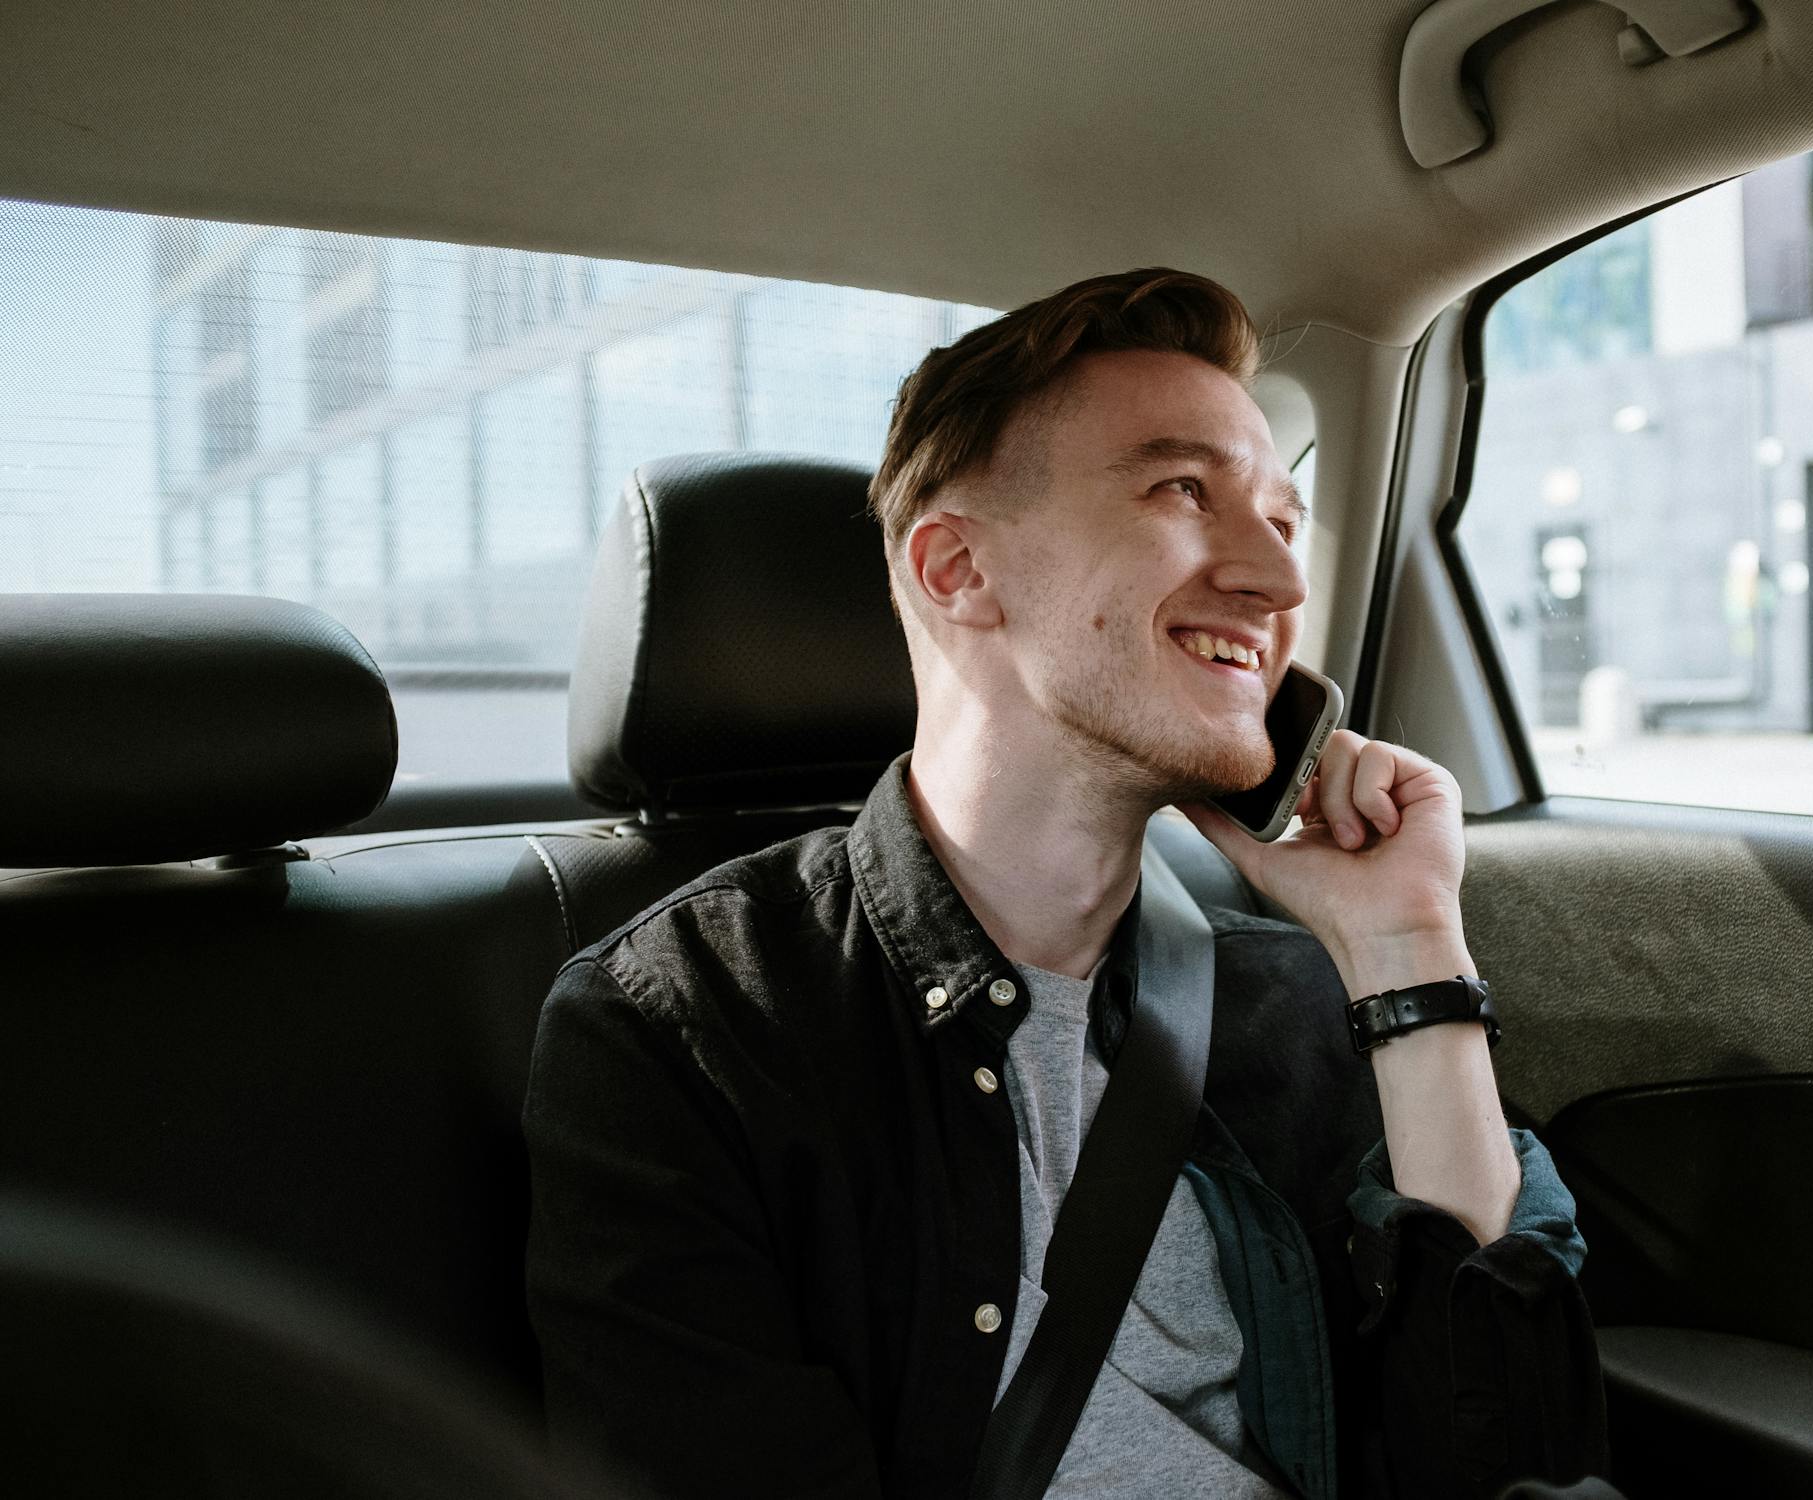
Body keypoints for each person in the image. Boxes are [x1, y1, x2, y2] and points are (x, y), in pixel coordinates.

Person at [523, 268, 1605, 1500]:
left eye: (1283, 519)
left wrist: (1408, 949)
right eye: (1182, 491)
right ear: (955, 571)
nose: (1280, 581)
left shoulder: (1296, 1000)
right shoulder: (692, 1028)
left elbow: (1510, 1461)